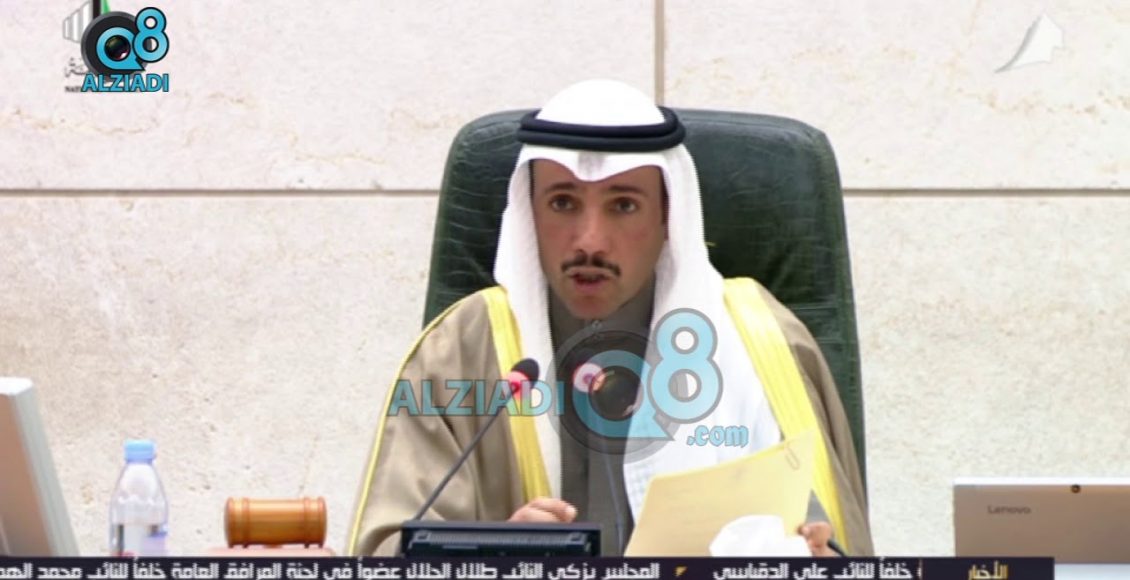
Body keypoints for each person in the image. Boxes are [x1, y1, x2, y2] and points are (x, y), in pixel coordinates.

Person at [346, 79, 873, 558]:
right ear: (530, 214)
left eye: (623, 206)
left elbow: (831, 545)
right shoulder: (459, 351)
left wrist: (816, 560)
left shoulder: (762, 340)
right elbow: (387, 556)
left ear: (668, 217)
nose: (590, 241)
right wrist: (491, 557)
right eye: (562, 203)